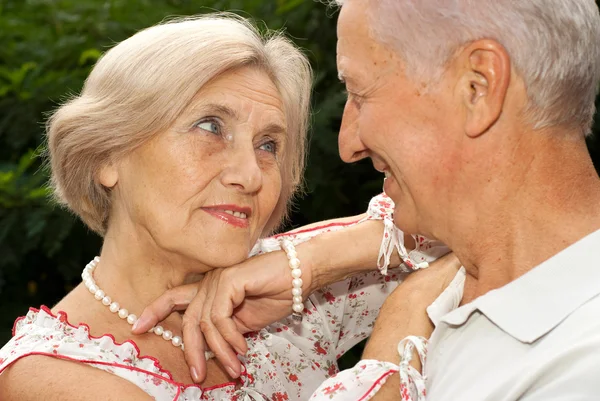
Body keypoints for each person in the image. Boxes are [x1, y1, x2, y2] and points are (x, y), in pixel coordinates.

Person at [141, 1, 600, 400]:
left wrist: (392, 346)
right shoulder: (480, 276)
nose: (348, 144)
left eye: (360, 93)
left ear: (478, 88)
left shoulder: (580, 365)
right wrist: (319, 261)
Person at [0, 13, 455, 401]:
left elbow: (487, 220)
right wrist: (407, 319)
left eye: (268, 145)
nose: (251, 175)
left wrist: (313, 265)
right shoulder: (44, 376)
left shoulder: (285, 288)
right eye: (210, 126)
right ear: (106, 157)